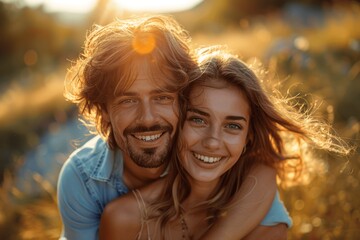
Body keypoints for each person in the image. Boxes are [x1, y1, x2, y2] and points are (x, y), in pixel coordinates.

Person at [57, 16, 291, 240]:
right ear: (104, 111)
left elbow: (263, 173)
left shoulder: (208, 155)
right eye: (127, 100)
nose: (148, 119)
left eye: (162, 98)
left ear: (183, 99)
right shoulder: (82, 179)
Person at [99, 46, 351, 240]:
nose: (212, 142)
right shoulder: (123, 218)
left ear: (248, 137)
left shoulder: (261, 207)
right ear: (177, 120)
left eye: (233, 126)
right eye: (198, 119)